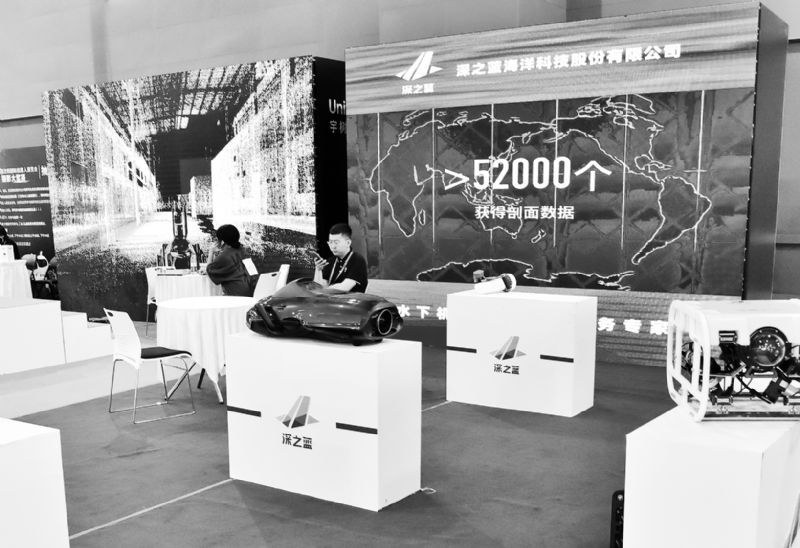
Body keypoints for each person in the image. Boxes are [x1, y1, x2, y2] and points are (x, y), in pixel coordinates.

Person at [313, 223, 368, 293]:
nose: (333, 246)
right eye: (330, 242)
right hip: (331, 299)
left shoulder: (357, 260)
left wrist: (323, 290)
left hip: (352, 299)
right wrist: (318, 270)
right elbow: (319, 288)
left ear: (348, 243)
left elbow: (344, 288)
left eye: (336, 242)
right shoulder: (330, 261)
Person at [205, 224, 253, 297]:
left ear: (222, 241)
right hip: (251, 292)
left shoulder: (224, 256)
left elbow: (209, 271)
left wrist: (211, 251)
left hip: (235, 295)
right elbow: (252, 271)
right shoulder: (243, 250)